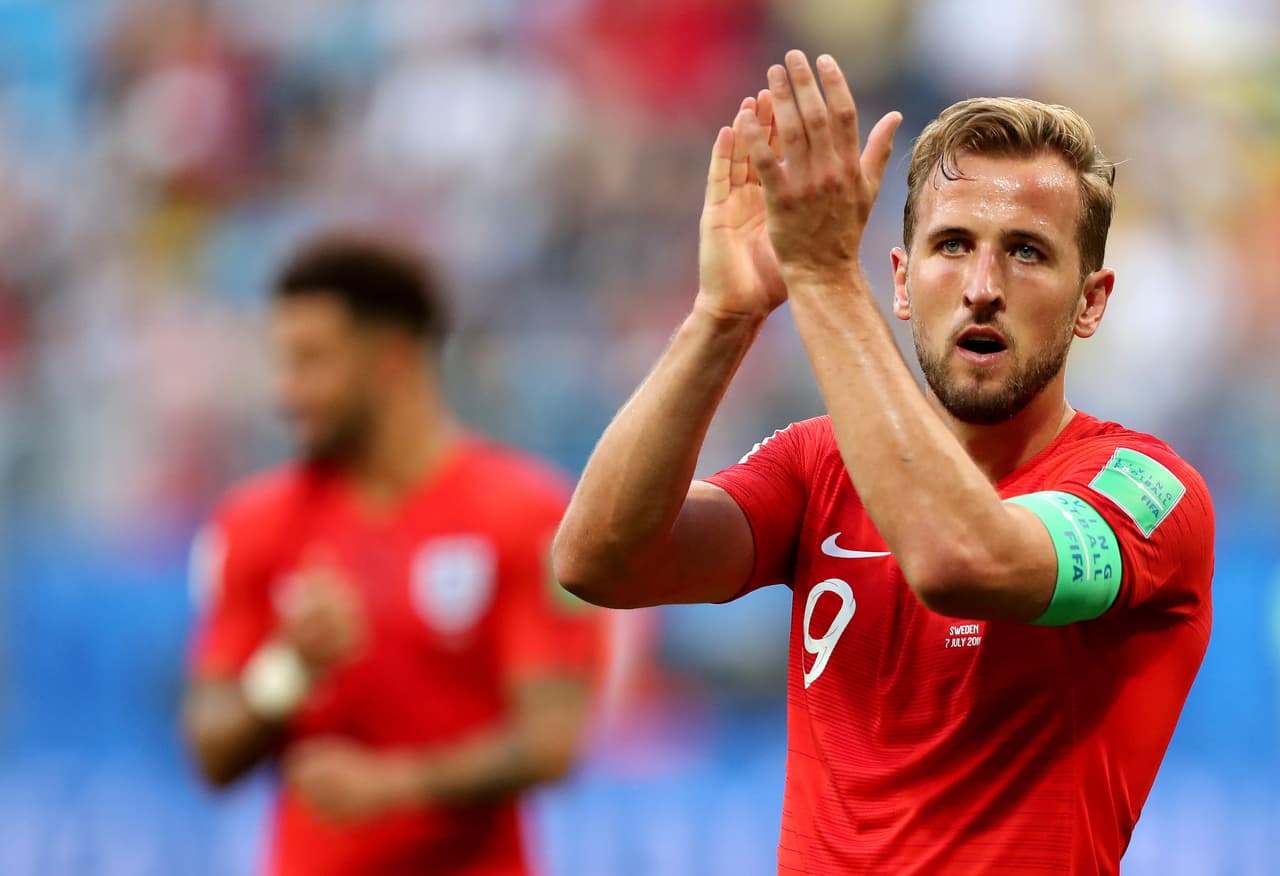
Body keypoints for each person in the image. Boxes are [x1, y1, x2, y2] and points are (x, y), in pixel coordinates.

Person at [553, 50, 1213, 875]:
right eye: (952, 244)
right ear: (901, 283)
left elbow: (962, 558)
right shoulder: (814, 463)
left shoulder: (1147, 490)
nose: (982, 285)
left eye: (1028, 253)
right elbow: (598, 562)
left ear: (1092, 301)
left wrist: (825, 278)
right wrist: (722, 317)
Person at [183, 232, 600, 876]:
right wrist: (288, 669)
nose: (286, 393)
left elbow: (552, 743)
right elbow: (210, 751)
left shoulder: (532, 518)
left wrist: (394, 786)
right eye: (284, 363)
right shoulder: (254, 524)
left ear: (395, 359)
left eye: (311, 361)